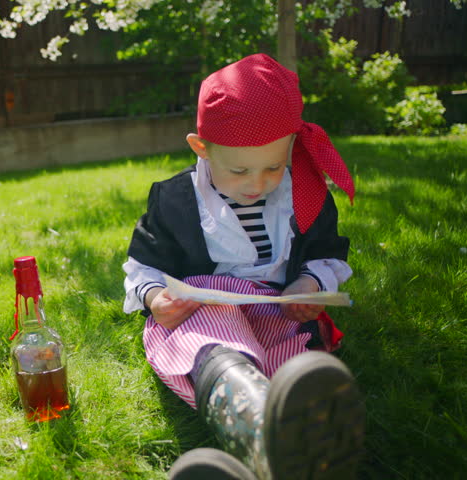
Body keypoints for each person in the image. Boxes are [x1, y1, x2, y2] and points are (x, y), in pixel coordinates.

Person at [122, 53, 365, 479]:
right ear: (201, 147)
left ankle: (276, 443)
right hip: (207, 313)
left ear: (291, 145)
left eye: (273, 166)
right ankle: (262, 434)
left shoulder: (303, 193)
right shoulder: (177, 200)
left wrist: (309, 284)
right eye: (239, 171)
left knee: (286, 361)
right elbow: (144, 264)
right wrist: (156, 298)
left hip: (275, 310)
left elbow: (326, 251)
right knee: (217, 350)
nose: (257, 184)